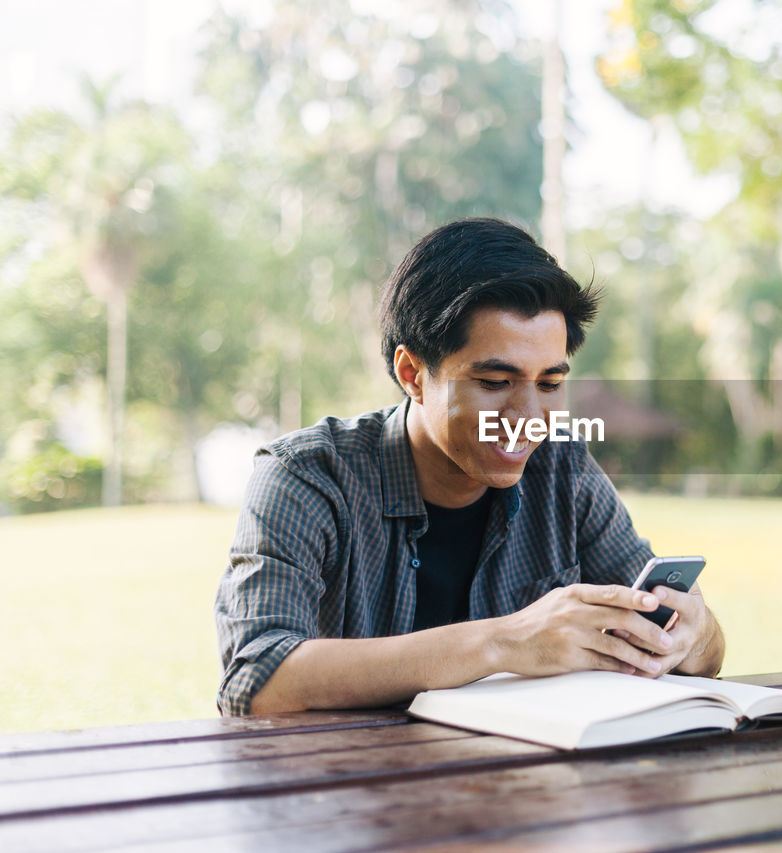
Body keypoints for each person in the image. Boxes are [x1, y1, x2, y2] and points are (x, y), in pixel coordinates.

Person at [215, 218, 725, 716]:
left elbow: (705, 650)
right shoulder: (307, 476)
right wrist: (504, 642)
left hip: (522, 781)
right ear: (412, 373)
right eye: (495, 382)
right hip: (351, 788)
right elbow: (254, 677)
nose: (528, 419)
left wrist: (693, 636)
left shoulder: (563, 468)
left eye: (548, 385)